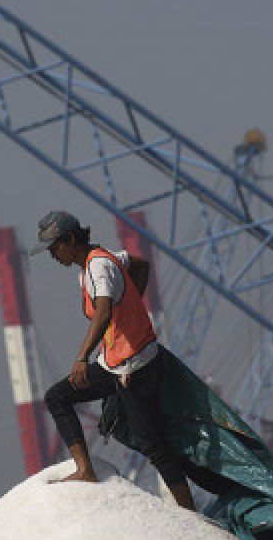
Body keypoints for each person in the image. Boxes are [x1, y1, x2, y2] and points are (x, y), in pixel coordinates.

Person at [32, 210, 197, 510]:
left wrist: (82, 357)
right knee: (58, 397)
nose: (52, 256)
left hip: (134, 368)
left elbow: (105, 311)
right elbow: (141, 266)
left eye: (54, 248)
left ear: (70, 239)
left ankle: (189, 511)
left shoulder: (98, 267)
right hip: (118, 363)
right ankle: (85, 470)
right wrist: (132, 302)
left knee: (154, 445)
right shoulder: (103, 259)